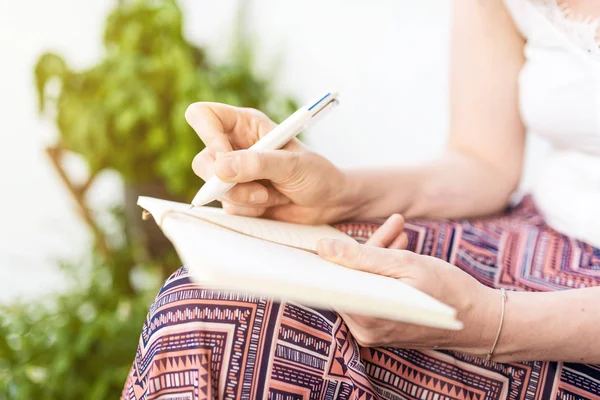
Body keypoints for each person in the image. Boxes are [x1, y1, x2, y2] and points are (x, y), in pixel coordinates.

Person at [121, 0, 600, 399]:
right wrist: (338, 196)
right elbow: (485, 164)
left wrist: (491, 322)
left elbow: (488, 319)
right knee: (205, 308)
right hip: (544, 229)